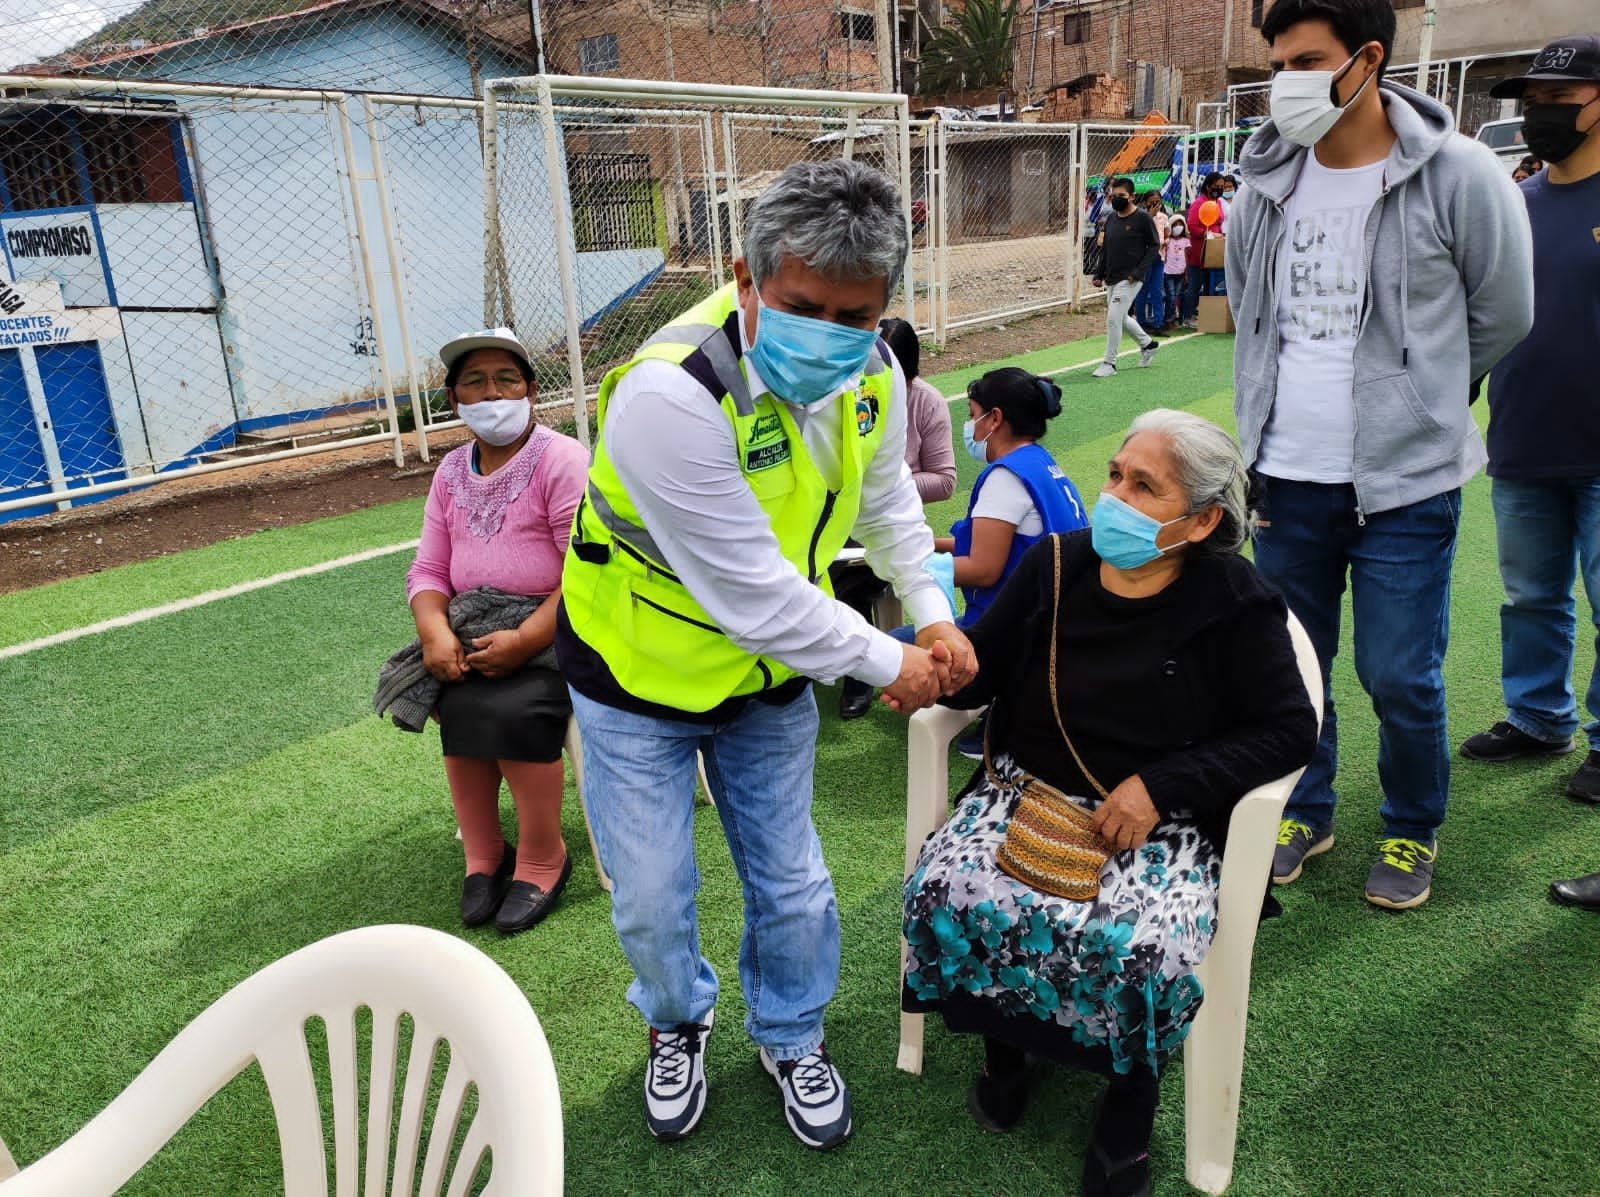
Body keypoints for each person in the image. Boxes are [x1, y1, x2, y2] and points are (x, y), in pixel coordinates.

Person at [556, 158, 977, 1150]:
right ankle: (677, 1018)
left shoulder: (872, 372)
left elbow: (886, 513)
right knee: (652, 899)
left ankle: (791, 1034)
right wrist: (891, 663)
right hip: (634, 674)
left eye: (856, 313)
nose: (830, 335)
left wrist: (932, 612)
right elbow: (754, 597)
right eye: (802, 305)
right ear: (745, 282)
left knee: (793, 886)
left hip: (765, 682)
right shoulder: (667, 395)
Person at [903, 410, 1318, 1197]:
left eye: (1143, 485)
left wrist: (1164, 786)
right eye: (1116, 474)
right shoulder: (1059, 564)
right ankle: (1005, 1046)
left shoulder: (1234, 597)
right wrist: (930, 669)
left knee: (1137, 945)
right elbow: (983, 673)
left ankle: (1130, 1101)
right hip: (1029, 791)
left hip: (1167, 820)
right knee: (950, 888)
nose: (1116, 497)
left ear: (1200, 521)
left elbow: (1289, 729)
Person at [1228, 0, 1534, 910]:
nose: (1289, 82)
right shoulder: (1264, 183)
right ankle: (1305, 809)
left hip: (1405, 483)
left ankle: (1410, 826)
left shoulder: (1462, 174)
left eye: (1308, 59)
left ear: (1367, 59)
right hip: (1282, 476)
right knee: (1295, 665)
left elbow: (1504, 312)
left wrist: (1425, 396)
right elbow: (1248, 310)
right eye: (1279, 61)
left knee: (1400, 673)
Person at [386, 328, 588, 933]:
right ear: (454, 400)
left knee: (515, 708)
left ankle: (544, 855)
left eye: (506, 378)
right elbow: (427, 569)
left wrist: (527, 639)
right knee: (452, 692)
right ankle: (484, 854)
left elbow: (586, 575)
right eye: (474, 381)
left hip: (563, 630)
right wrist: (432, 632)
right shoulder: (450, 471)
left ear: (530, 389)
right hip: (476, 625)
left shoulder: (561, 460)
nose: (492, 392)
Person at [1458, 35, 1600, 809]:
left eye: (1559, 98)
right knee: (1531, 595)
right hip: (1522, 439)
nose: (1541, 114)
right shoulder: (1510, 204)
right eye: (1534, 101)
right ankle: (1540, 717)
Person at [837, 317, 958, 718]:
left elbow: (944, 480)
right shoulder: (851, 388)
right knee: (838, 569)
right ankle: (862, 666)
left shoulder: (926, 402)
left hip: (885, 522)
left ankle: (858, 675)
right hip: (848, 518)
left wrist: (886, 480)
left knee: (852, 576)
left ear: (909, 374)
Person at [1091, 176, 1161, 379]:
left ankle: (1109, 363)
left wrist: (1138, 272)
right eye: (1113, 196)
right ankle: (1148, 344)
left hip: (1130, 278)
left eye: (1121, 195)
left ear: (1132, 196)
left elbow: (1154, 246)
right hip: (1113, 276)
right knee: (1121, 318)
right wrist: (1099, 273)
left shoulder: (1142, 218)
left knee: (1113, 318)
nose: (1116, 199)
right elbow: (1106, 249)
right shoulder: (1112, 218)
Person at [1181, 172, 1227, 328]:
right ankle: (1187, 316)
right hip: (1199, 251)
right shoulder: (1199, 203)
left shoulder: (1218, 202)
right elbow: (1192, 226)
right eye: (1217, 186)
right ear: (1208, 186)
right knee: (1195, 284)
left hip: (1214, 250)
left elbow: (1219, 222)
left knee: (1210, 284)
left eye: (1222, 187)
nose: (1219, 189)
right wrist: (1207, 234)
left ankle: (1208, 317)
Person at [1133, 191, 1169, 330]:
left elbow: (1166, 235)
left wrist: (1165, 242)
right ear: (1146, 202)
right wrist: (1150, 216)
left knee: (1157, 290)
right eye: (1152, 201)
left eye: (1157, 201)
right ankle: (1141, 321)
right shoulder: (1141, 216)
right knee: (1143, 289)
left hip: (1159, 256)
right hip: (1145, 258)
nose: (1155, 204)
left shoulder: (1164, 217)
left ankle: (1158, 322)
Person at [1163, 215, 1192, 331]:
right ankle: (1169, 320)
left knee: (1176, 296)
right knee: (1171, 296)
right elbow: (1164, 255)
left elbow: (1186, 257)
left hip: (1180, 273)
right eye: (1175, 225)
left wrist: (1186, 273)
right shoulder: (1168, 241)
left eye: (1180, 225)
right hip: (1168, 272)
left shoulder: (1185, 241)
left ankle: (1171, 319)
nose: (1178, 227)